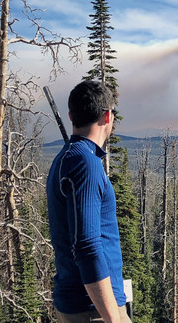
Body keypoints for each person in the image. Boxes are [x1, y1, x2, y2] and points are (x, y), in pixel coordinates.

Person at [46, 80, 131, 322]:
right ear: (107, 116)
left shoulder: (66, 159)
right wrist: (112, 318)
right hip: (94, 310)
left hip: (84, 306)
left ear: (71, 116)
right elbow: (87, 246)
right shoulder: (85, 163)